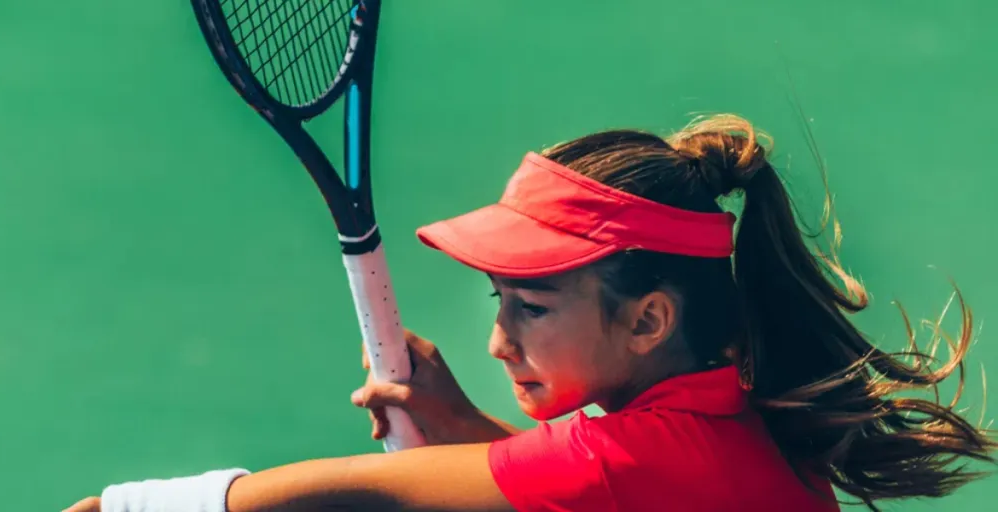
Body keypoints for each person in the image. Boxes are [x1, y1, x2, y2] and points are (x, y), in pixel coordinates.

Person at [64, 114, 996, 512]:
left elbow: (356, 497)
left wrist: (125, 507)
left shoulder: (628, 458)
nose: (500, 339)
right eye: (499, 298)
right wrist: (460, 425)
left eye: (535, 305)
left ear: (648, 320)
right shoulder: (730, 417)